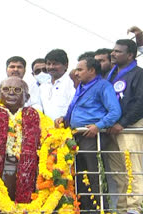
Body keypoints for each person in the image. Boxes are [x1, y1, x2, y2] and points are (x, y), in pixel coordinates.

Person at [55, 57, 121, 213]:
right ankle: (85, 209)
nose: (76, 73)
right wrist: (64, 119)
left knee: (94, 176)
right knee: (79, 176)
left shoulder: (103, 86)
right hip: (77, 137)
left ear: (92, 70)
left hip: (92, 138)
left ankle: (101, 210)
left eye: (80, 69)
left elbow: (115, 112)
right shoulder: (82, 86)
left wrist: (99, 126)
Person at [0, 76, 40, 212]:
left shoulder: (35, 117)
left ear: (27, 96)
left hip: (25, 168)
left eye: (17, 90)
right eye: (6, 89)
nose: (11, 93)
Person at [106, 39, 143, 214]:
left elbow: (140, 103)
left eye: (118, 51)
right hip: (112, 129)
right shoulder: (111, 74)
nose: (113, 54)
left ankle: (135, 207)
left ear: (130, 55)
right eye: (113, 51)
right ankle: (121, 209)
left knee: (133, 169)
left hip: (130, 127)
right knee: (118, 173)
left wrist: (123, 123)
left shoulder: (138, 73)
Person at [39, 49, 75, 121]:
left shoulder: (72, 83)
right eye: (48, 64)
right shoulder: (43, 86)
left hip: (66, 128)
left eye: (55, 64)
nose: (51, 67)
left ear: (66, 65)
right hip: (47, 129)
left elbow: (74, 107)